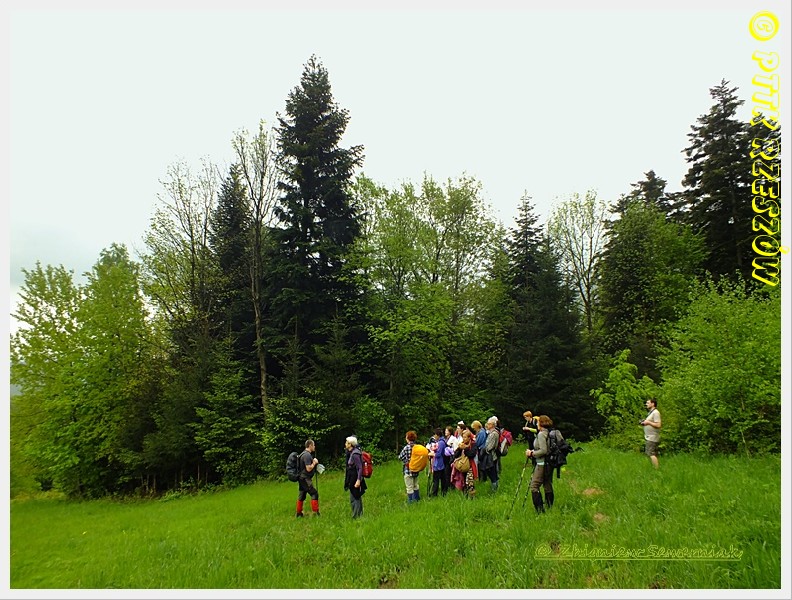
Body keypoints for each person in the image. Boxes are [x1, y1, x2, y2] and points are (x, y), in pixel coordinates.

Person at [525, 415, 559, 513]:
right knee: (547, 484)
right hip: (550, 463)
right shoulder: (549, 432)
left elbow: (543, 450)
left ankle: (540, 511)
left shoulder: (541, 434)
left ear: (541, 423)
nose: (537, 424)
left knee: (534, 486)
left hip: (542, 463)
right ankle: (549, 507)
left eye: (538, 422)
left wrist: (531, 453)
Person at [296, 439, 320, 517]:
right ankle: (315, 513)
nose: (314, 447)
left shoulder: (302, 454)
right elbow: (308, 468)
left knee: (302, 495)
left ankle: (299, 513)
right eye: (314, 445)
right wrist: (314, 463)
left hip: (301, 478)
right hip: (305, 479)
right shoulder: (307, 455)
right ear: (310, 446)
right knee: (314, 493)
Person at [343, 436, 367, 518]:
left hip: (355, 477)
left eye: (346, 442)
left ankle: (357, 515)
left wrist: (358, 480)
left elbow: (359, 467)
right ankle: (357, 514)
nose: (345, 444)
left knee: (356, 496)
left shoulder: (355, 454)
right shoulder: (351, 452)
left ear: (350, 444)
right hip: (352, 477)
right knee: (353, 496)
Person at [451, 429, 478, 498]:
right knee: (463, 480)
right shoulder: (462, 444)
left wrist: (465, 449)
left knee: (470, 482)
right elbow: (455, 455)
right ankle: (465, 496)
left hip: (470, 466)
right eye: (463, 437)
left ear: (469, 438)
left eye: (465, 437)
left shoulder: (473, 444)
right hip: (462, 466)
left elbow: (471, 454)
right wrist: (459, 449)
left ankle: (472, 497)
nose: (463, 439)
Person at [398, 430, 421, 503]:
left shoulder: (406, 447)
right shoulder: (417, 447)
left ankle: (410, 502)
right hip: (416, 469)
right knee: (415, 485)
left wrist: (406, 461)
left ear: (408, 438)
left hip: (408, 469)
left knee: (409, 487)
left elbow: (400, 457)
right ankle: (417, 499)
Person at [641, 398, 661, 469]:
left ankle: (656, 469)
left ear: (653, 404)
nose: (646, 404)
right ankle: (653, 467)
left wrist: (648, 422)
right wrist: (644, 422)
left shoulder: (656, 413)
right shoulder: (651, 413)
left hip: (653, 437)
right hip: (649, 436)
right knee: (650, 453)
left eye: (648, 403)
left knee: (651, 453)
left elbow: (658, 425)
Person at [481, 416, 500, 491]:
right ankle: (494, 487)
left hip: (491, 456)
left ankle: (494, 489)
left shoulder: (494, 434)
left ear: (492, 425)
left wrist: (484, 450)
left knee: (492, 472)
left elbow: (490, 446)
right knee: (492, 472)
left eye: (488, 424)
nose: (487, 425)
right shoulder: (491, 433)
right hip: (490, 455)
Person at [429, 428, 449, 497]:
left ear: (437, 435)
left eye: (434, 435)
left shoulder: (440, 443)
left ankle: (434, 494)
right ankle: (444, 492)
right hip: (441, 463)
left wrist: (432, 454)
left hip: (438, 464)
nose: (434, 437)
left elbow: (438, 454)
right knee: (443, 479)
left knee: (436, 479)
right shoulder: (442, 441)